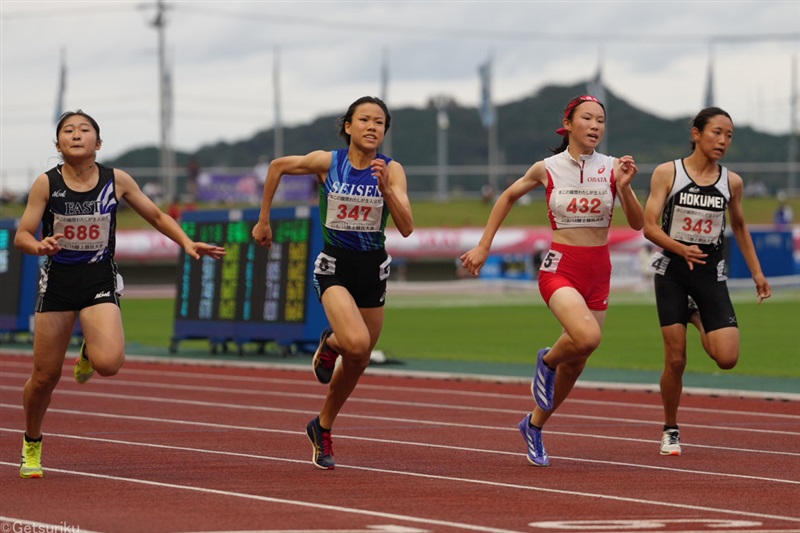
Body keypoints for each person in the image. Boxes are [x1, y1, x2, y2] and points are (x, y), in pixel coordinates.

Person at [14, 110, 226, 478]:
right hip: (59, 284)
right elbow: (21, 236)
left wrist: (187, 242)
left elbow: (157, 217)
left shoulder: (117, 180)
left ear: (98, 143)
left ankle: (90, 348)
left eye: (84, 130)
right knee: (45, 377)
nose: (76, 135)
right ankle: (32, 442)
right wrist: (40, 247)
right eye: (68, 130)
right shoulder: (45, 184)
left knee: (109, 364)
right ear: (58, 144)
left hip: (99, 280)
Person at [460, 95, 644, 467]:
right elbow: (508, 196)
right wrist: (483, 246)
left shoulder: (612, 167)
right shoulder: (547, 168)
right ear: (569, 123)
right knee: (587, 337)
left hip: (599, 270)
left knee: (579, 358)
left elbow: (639, 224)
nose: (595, 126)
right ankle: (546, 362)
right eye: (588, 118)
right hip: (561, 266)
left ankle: (534, 425)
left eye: (601, 120)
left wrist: (624, 186)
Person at [251, 96, 413, 470]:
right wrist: (264, 220)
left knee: (360, 359)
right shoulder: (329, 162)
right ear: (348, 126)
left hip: (372, 271)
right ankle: (332, 341)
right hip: (335, 267)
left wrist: (387, 189)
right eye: (365, 120)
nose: (373, 127)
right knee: (354, 344)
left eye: (380, 122)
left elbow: (406, 227)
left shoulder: (393, 170)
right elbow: (277, 167)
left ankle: (321, 425)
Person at [643, 107, 771, 457]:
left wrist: (758, 272)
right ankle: (671, 428)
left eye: (729, 135)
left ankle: (695, 313)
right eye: (717, 132)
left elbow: (741, 227)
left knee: (727, 358)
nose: (723, 141)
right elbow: (650, 225)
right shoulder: (668, 172)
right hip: (672, 271)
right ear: (696, 134)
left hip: (710, 274)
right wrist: (680, 248)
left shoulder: (732, 182)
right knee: (676, 360)